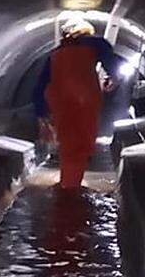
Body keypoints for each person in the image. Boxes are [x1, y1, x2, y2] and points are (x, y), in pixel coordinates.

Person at [33, 17, 119, 189]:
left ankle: (68, 182)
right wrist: (113, 79)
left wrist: (41, 113)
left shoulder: (55, 53)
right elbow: (111, 62)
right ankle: (71, 186)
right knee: (82, 143)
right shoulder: (96, 44)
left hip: (60, 101)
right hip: (84, 98)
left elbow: (40, 85)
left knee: (68, 142)